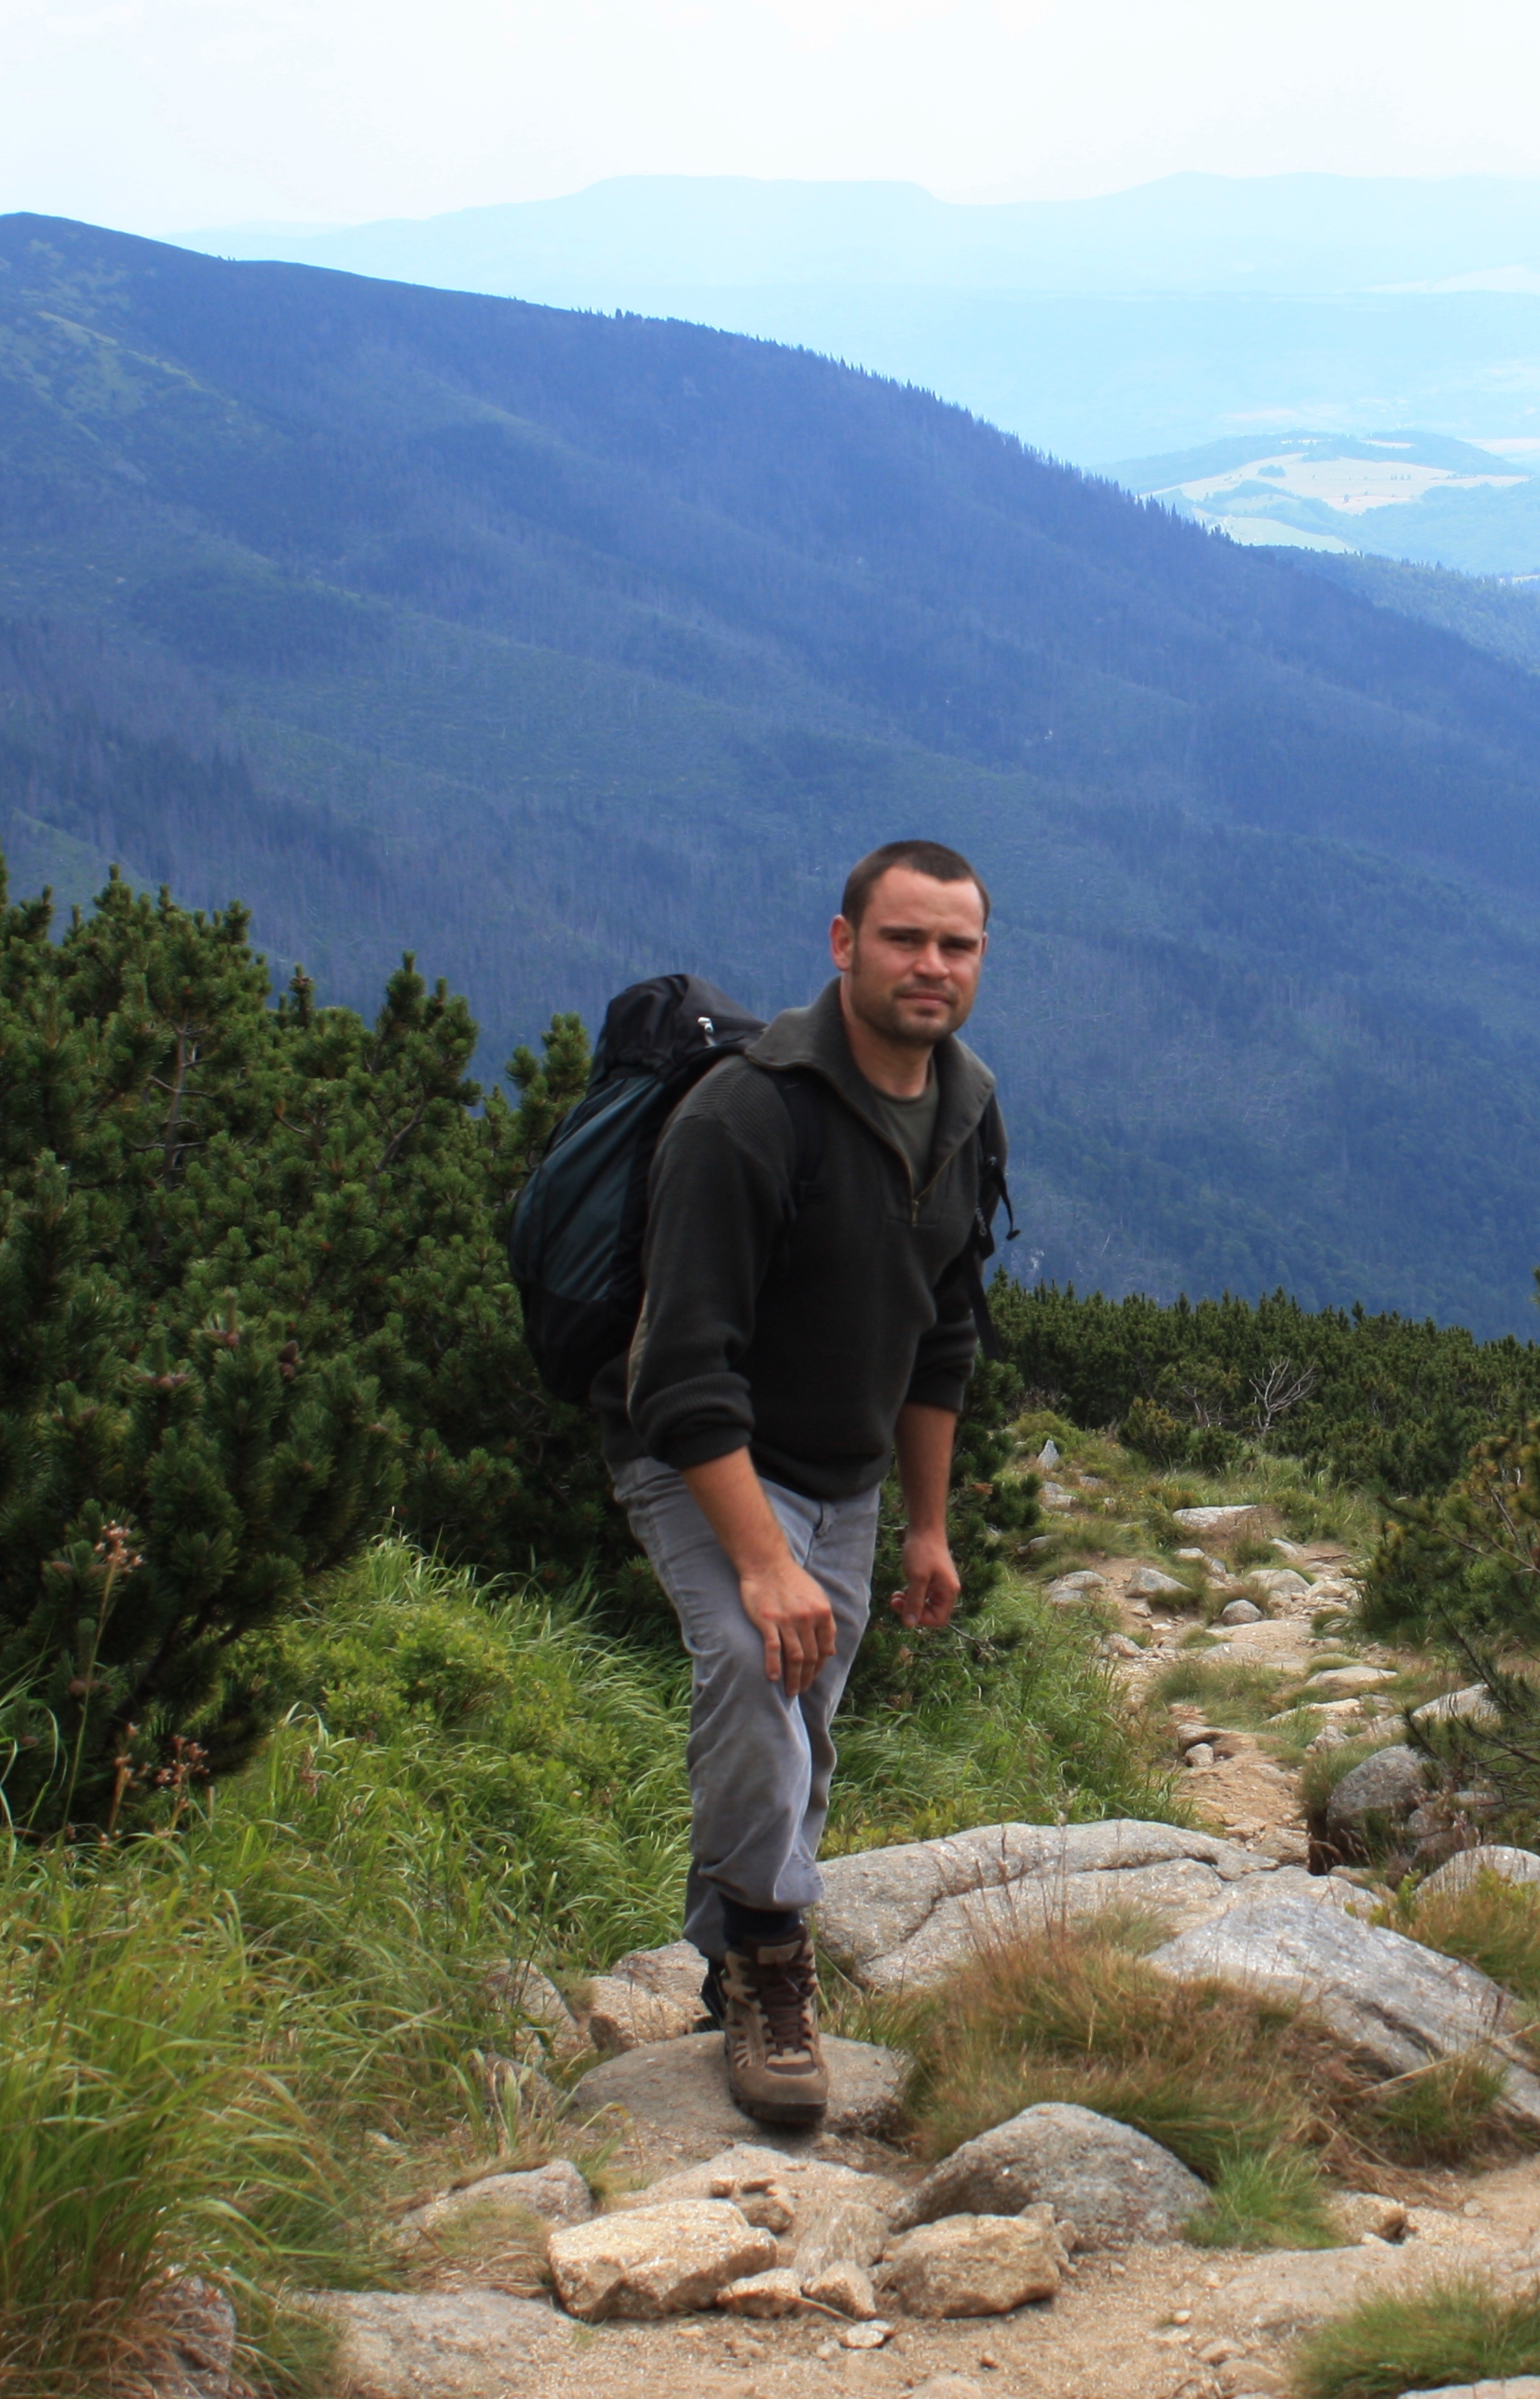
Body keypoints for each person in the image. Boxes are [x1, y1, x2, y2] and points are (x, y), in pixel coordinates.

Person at [594, 839, 999, 2124]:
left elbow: (942, 1332)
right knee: (758, 1667)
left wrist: (927, 1525)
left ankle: (728, 1967)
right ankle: (771, 1967)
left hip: (846, 1471)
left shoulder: (964, 1110)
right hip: (704, 1455)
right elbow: (680, 1372)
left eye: (956, 945)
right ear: (843, 945)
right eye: (904, 939)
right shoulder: (747, 1117)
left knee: (804, 1721)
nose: (930, 966)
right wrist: (763, 1561)